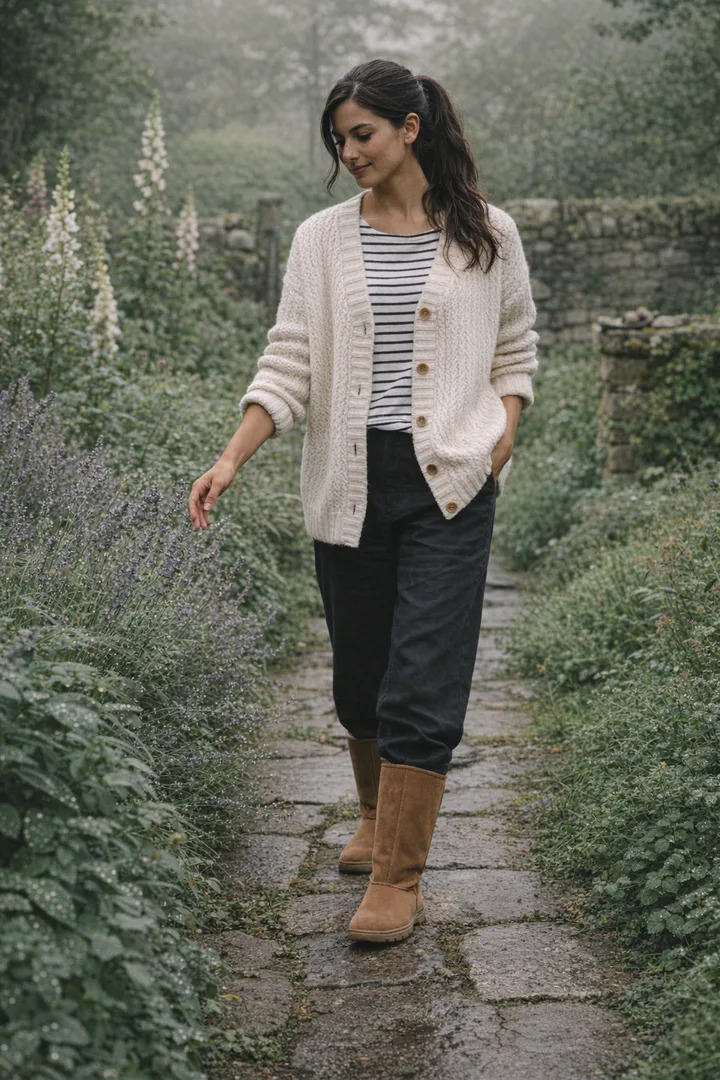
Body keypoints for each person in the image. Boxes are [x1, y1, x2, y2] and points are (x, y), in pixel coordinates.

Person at [188, 59, 539, 945]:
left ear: (409, 128)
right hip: (349, 481)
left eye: (361, 134)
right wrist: (234, 454)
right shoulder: (320, 240)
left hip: (449, 483)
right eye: (338, 139)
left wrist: (503, 430)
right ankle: (376, 817)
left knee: (424, 677)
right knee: (360, 679)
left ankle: (399, 878)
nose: (348, 152)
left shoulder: (486, 234)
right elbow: (290, 359)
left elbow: (518, 346)